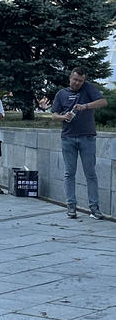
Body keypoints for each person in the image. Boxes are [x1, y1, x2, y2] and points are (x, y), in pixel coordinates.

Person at [51, 67, 109, 219]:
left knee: (90, 173)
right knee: (69, 173)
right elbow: (53, 116)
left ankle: (94, 208)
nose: (77, 83)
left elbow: (103, 101)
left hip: (87, 137)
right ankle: (71, 206)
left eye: (81, 81)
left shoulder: (88, 88)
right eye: (75, 79)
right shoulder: (61, 94)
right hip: (68, 138)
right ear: (70, 78)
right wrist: (64, 117)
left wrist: (86, 106)